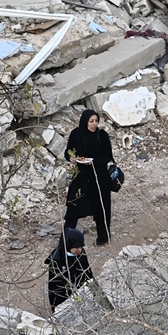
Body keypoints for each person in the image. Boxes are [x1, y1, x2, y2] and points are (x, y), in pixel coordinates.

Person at [63, 109, 114, 245]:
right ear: (85, 121)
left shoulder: (101, 135)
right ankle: (66, 240)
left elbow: (108, 156)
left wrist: (93, 162)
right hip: (81, 177)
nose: (94, 124)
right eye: (91, 121)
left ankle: (103, 237)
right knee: (73, 207)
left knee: (101, 208)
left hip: (99, 178)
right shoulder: (76, 134)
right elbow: (68, 151)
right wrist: (71, 158)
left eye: (96, 121)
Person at [45, 227, 93, 311]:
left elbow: (87, 270)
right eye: (77, 247)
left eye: (81, 247)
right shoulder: (57, 260)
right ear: (69, 244)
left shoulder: (81, 253)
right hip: (65, 295)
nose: (80, 250)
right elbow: (55, 287)